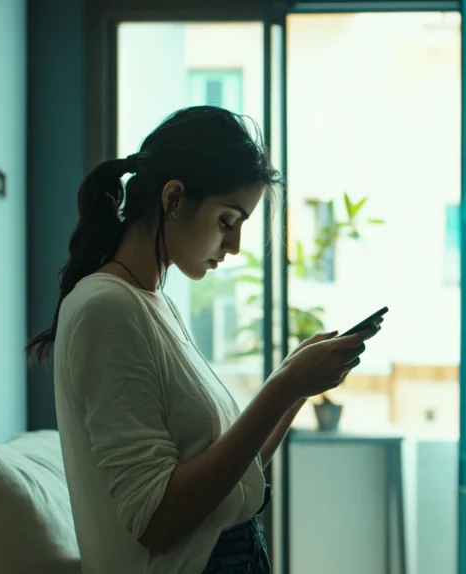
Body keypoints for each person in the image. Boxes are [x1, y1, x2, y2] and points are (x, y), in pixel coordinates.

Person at [25, 106, 380, 574]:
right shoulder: (107, 308)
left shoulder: (153, 304)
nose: (233, 246)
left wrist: (295, 386)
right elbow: (157, 521)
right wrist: (284, 387)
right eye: (227, 221)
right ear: (174, 198)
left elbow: (229, 477)